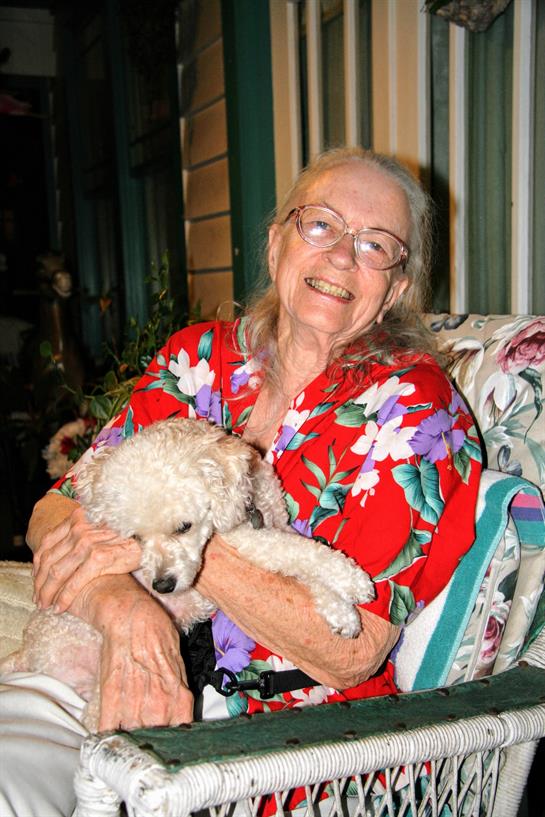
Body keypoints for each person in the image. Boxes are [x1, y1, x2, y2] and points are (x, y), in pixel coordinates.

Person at [0, 147, 482, 816]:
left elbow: (349, 651)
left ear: (394, 288)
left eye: (375, 245)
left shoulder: (413, 409)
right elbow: (55, 510)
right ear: (275, 241)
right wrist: (127, 608)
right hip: (108, 664)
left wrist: (182, 546)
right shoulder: (197, 359)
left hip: (284, 741)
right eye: (319, 224)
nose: (342, 255)